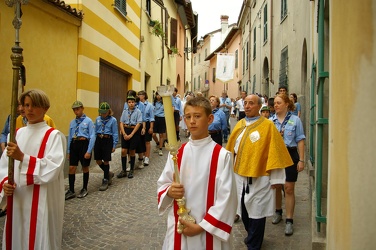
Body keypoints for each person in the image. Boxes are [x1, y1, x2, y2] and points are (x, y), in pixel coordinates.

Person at [157, 96, 238, 249]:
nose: (192, 121)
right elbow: (164, 183)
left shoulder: (221, 156)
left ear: (210, 119)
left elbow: (227, 199)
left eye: (197, 116)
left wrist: (201, 227)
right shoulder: (177, 153)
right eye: (188, 117)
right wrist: (169, 191)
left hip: (208, 233)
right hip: (180, 229)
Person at [0, 89, 67, 249]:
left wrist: (23, 157)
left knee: (38, 238)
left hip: (42, 199)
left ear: (45, 108)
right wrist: (5, 184)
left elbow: (53, 167)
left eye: (34, 105)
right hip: (17, 198)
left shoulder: (54, 136)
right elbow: (4, 166)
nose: (29, 109)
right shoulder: (14, 135)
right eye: (26, 105)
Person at [226, 94, 293, 250]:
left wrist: (276, 179)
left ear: (259, 106)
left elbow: (275, 153)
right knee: (242, 209)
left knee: (257, 211)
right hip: (239, 176)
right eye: (246, 103)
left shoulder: (268, 126)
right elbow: (230, 150)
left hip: (260, 176)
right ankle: (252, 236)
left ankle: (254, 244)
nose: (247, 106)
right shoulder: (240, 124)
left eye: (251, 103)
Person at [270, 94, 305, 236]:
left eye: (279, 103)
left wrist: (301, 160)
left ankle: (289, 220)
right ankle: (278, 211)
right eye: (275, 103)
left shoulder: (295, 120)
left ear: (286, 104)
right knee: (277, 185)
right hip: (276, 156)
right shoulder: (270, 121)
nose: (276, 105)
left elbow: (300, 140)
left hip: (290, 155)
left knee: (289, 188)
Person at [65, 101, 96, 200]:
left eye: (77, 109)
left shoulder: (89, 121)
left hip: (84, 144)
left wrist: (89, 151)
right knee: (71, 168)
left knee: (85, 167)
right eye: (74, 110)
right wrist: (69, 151)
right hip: (74, 144)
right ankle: (71, 190)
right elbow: (70, 136)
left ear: (82, 108)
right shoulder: (72, 122)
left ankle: (84, 188)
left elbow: (92, 136)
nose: (76, 111)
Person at [94, 102, 118, 191]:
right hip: (99, 140)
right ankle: (108, 173)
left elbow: (115, 133)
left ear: (109, 111)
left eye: (105, 112)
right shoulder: (97, 119)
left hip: (108, 140)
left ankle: (105, 180)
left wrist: (114, 145)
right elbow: (95, 131)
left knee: (106, 160)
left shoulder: (113, 120)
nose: (103, 114)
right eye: (102, 112)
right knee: (98, 160)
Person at [117, 95, 142, 179]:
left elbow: (139, 123)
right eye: (129, 102)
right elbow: (121, 122)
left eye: (132, 102)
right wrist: (124, 133)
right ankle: (123, 170)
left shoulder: (138, 111)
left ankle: (131, 170)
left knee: (132, 151)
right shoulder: (124, 111)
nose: (131, 104)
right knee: (123, 150)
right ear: (127, 103)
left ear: (135, 103)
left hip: (134, 131)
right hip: (126, 130)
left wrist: (131, 134)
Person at [137, 90, 155, 167]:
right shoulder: (137, 104)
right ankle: (143, 155)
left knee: (147, 141)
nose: (138, 96)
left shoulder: (149, 105)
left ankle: (147, 157)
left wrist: (151, 127)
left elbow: (151, 117)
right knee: (141, 141)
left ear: (143, 96)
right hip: (139, 124)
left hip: (147, 123)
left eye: (139, 95)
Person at [152, 91, 166, 156]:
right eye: (157, 95)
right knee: (153, 134)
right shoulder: (154, 103)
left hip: (162, 118)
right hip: (155, 119)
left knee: (161, 135)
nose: (158, 96)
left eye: (159, 95)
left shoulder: (164, 103)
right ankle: (157, 143)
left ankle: (160, 149)